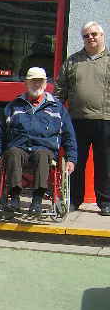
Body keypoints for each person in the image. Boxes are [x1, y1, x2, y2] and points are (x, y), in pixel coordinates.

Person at [0, 67, 77, 215]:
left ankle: (37, 200)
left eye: (40, 81)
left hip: (45, 150)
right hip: (19, 148)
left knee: (42, 154)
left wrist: (71, 159)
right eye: (33, 81)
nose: (37, 85)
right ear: (26, 83)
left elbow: (69, 136)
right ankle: (14, 198)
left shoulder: (57, 108)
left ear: (45, 84)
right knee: (12, 153)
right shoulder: (14, 106)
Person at [54, 21, 110, 216]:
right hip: (77, 119)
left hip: (106, 119)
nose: (91, 38)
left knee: (105, 163)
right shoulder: (73, 61)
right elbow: (61, 88)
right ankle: (73, 200)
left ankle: (105, 202)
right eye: (86, 35)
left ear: (102, 35)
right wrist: (57, 112)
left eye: (94, 34)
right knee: (76, 161)